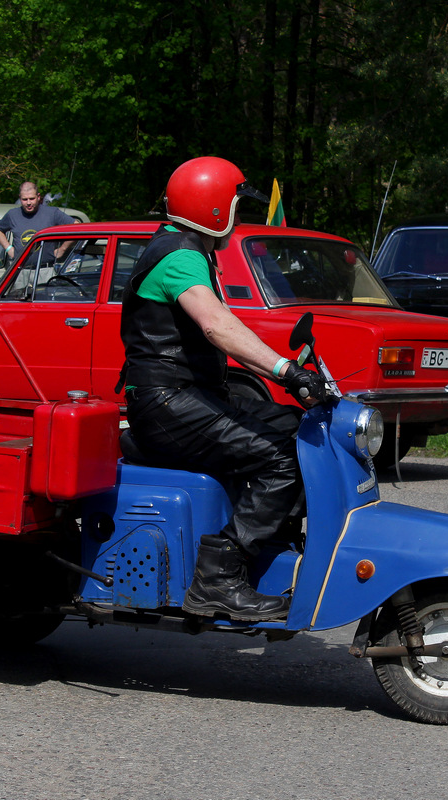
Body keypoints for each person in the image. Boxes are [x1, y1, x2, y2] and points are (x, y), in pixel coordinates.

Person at [119, 156, 329, 622]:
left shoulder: (188, 251)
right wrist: (286, 372)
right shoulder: (178, 257)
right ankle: (218, 579)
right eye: (236, 202)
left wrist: (292, 373)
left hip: (186, 396)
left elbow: (226, 327)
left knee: (298, 430)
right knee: (280, 454)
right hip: (167, 402)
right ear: (215, 206)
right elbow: (216, 325)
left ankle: (267, 546)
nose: (239, 213)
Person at [0, 182, 74, 262]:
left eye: (32, 199)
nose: (28, 203)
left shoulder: (52, 213)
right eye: (24, 199)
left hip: (45, 270)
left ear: (38, 197)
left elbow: (76, 226)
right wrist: (9, 249)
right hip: (19, 270)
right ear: (20, 198)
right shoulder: (12, 214)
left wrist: (62, 249)